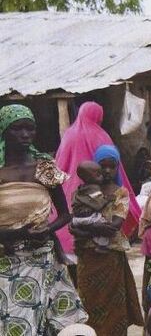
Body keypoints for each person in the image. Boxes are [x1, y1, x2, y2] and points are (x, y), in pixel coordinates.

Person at [0, 104, 88, 334]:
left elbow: (65, 214)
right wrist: (20, 233)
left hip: (43, 258)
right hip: (6, 258)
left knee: (54, 323)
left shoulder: (44, 167)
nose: (25, 135)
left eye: (30, 129)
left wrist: (47, 229)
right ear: (3, 131)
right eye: (17, 129)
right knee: (15, 323)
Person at [70, 145, 144, 335]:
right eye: (103, 166)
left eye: (112, 166)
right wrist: (89, 228)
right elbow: (73, 224)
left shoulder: (121, 193)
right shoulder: (82, 193)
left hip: (111, 259)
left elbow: (114, 227)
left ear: (118, 167)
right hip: (88, 258)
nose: (108, 171)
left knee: (114, 304)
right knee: (88, 300)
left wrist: (84, 228)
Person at [55, 101, 141, 259]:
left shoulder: (69, 134)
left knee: (74, 230)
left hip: (71, 191)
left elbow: (60, 163)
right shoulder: (101, 135)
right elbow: (114, 165)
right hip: (99, 192)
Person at [71, 161, 112, 253]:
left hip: (77, 219)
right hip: (89, 218)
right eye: (98, 175)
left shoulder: (80, 189)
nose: (102, 176)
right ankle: (102, 246)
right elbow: (99, 204)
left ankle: (79, 241)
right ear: (88, 177)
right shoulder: (94, 188)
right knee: (105, 223)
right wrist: (108, 199)